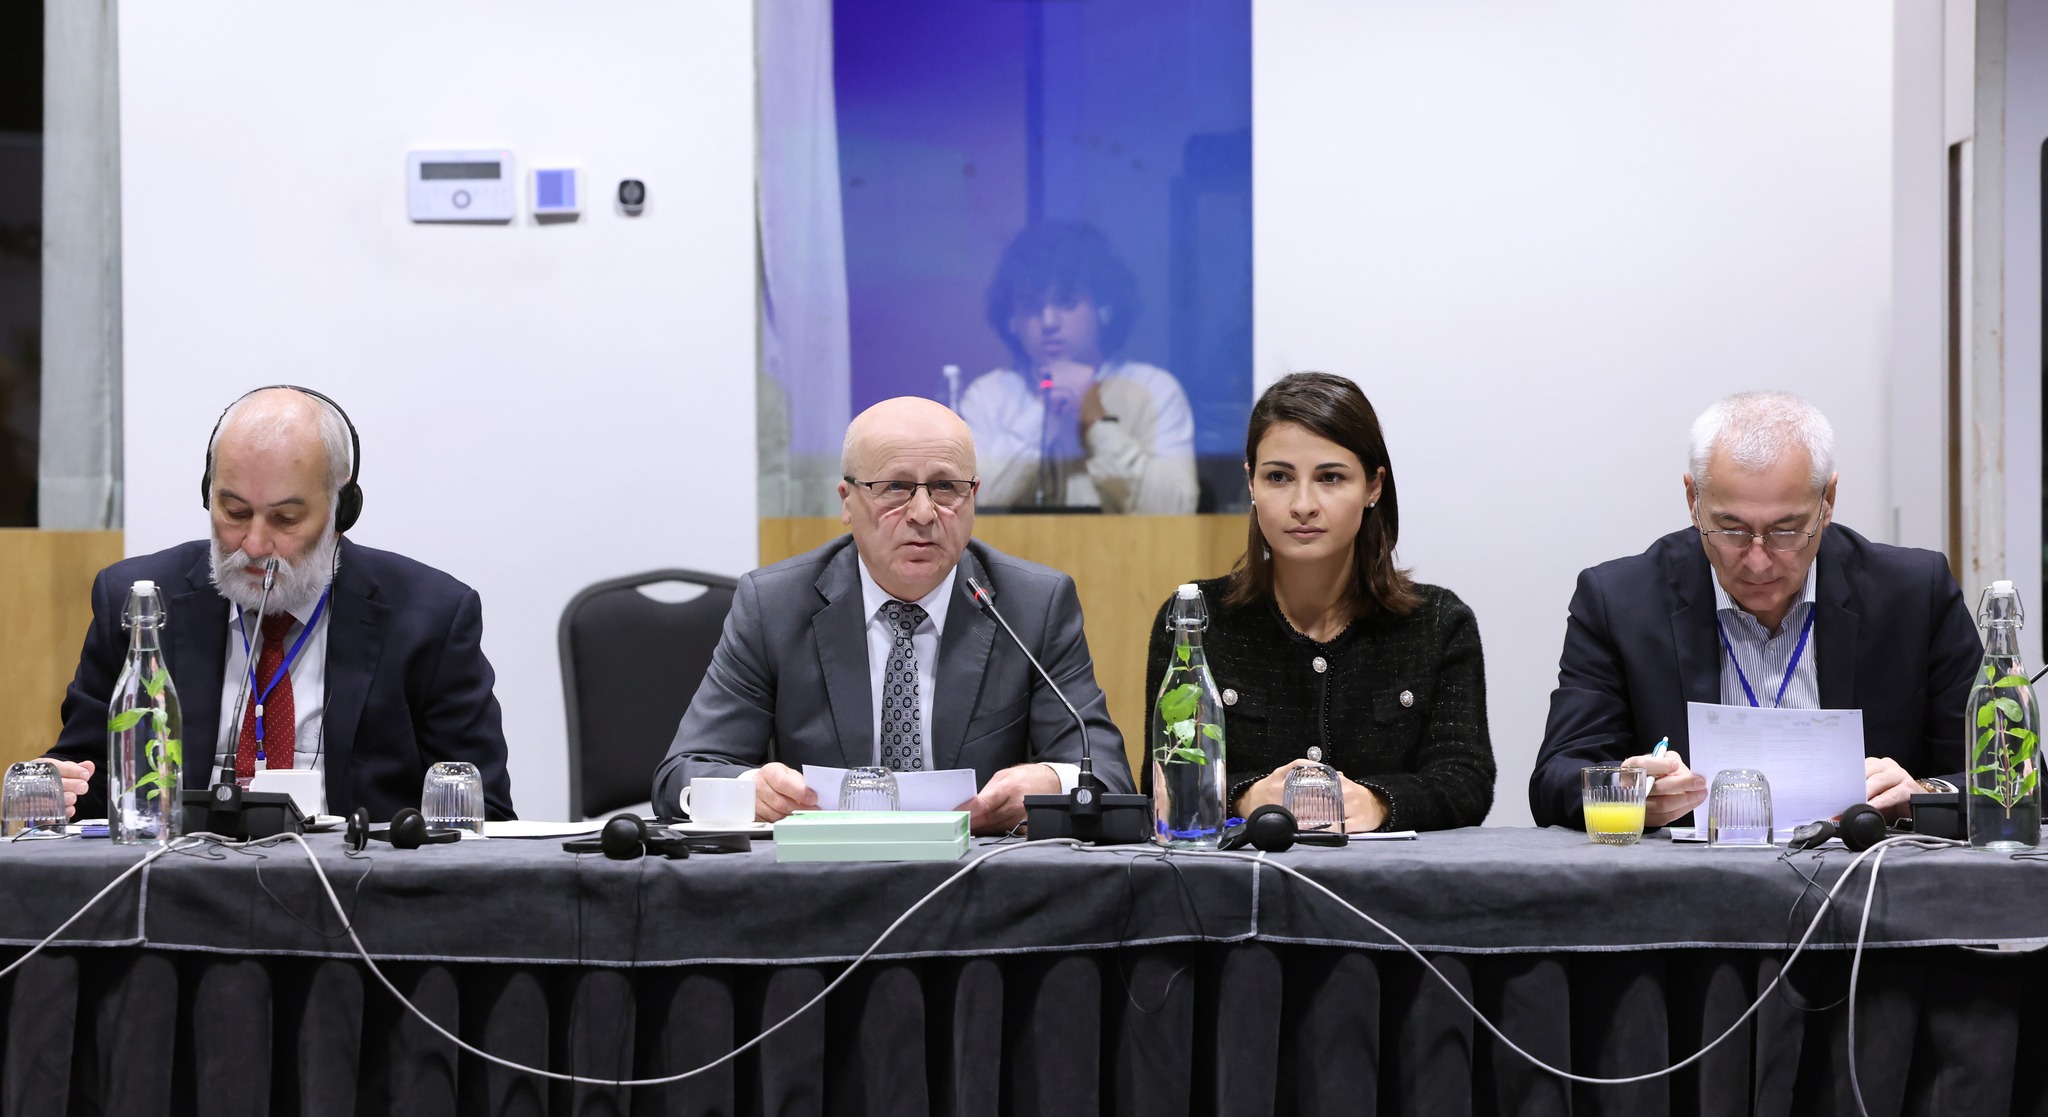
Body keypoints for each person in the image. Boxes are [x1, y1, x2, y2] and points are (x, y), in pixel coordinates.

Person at [653, 396, 1134, 834]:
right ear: (847, 501)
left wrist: (1051, 780)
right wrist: (749, 790)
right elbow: (682, 774)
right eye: (895, 487)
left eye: (945, 487)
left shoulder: (1032, 604)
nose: (923, 513)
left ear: (973, 497)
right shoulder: (775, 605)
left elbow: (1109, 774)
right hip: (822, 877)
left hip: (979, 876)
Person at [45, 386, 515, 822]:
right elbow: (89, 778)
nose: (253, 544)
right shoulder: (138, 603)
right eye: (234, 512)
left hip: (357, 877)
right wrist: (60, 789)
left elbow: (484, 811)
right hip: (182, 873)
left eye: (285, 518)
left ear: (342, 509)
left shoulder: (430, 617)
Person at [1529, 391, 1981, 830]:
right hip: (1688, 875)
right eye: (1732, 530)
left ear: (1827, 502)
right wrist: (1629, 790)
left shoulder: (1914, 595)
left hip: (1865, 873)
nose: (1759, 561)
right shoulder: (1619, 601)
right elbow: (1556, 778)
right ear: (1693, 502)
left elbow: (2006, 777)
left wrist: (1924, 793)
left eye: (1786, 530)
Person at [1143, 372, 1495, 832]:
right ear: (1251, 484)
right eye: (1279, 477)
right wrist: (1244, 796)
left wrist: (1378, 803)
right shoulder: (1195, 619)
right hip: (1241, 874)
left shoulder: (1438, 623)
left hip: (1391, 875)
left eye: (1330, 478)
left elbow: (1466, 782)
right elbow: (1161, 782)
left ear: (1373, 487)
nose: (1303, 504)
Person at [957, 221, 1198, 514]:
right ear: (1012, 321)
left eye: (1067, 303)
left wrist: (1097, 421)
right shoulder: (988, 395)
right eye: (1032, 307)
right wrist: (1041, 411)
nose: (1049, 322)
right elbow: (969, 503)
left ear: (1103, 308)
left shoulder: (1153, 389)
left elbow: (1177, 509)